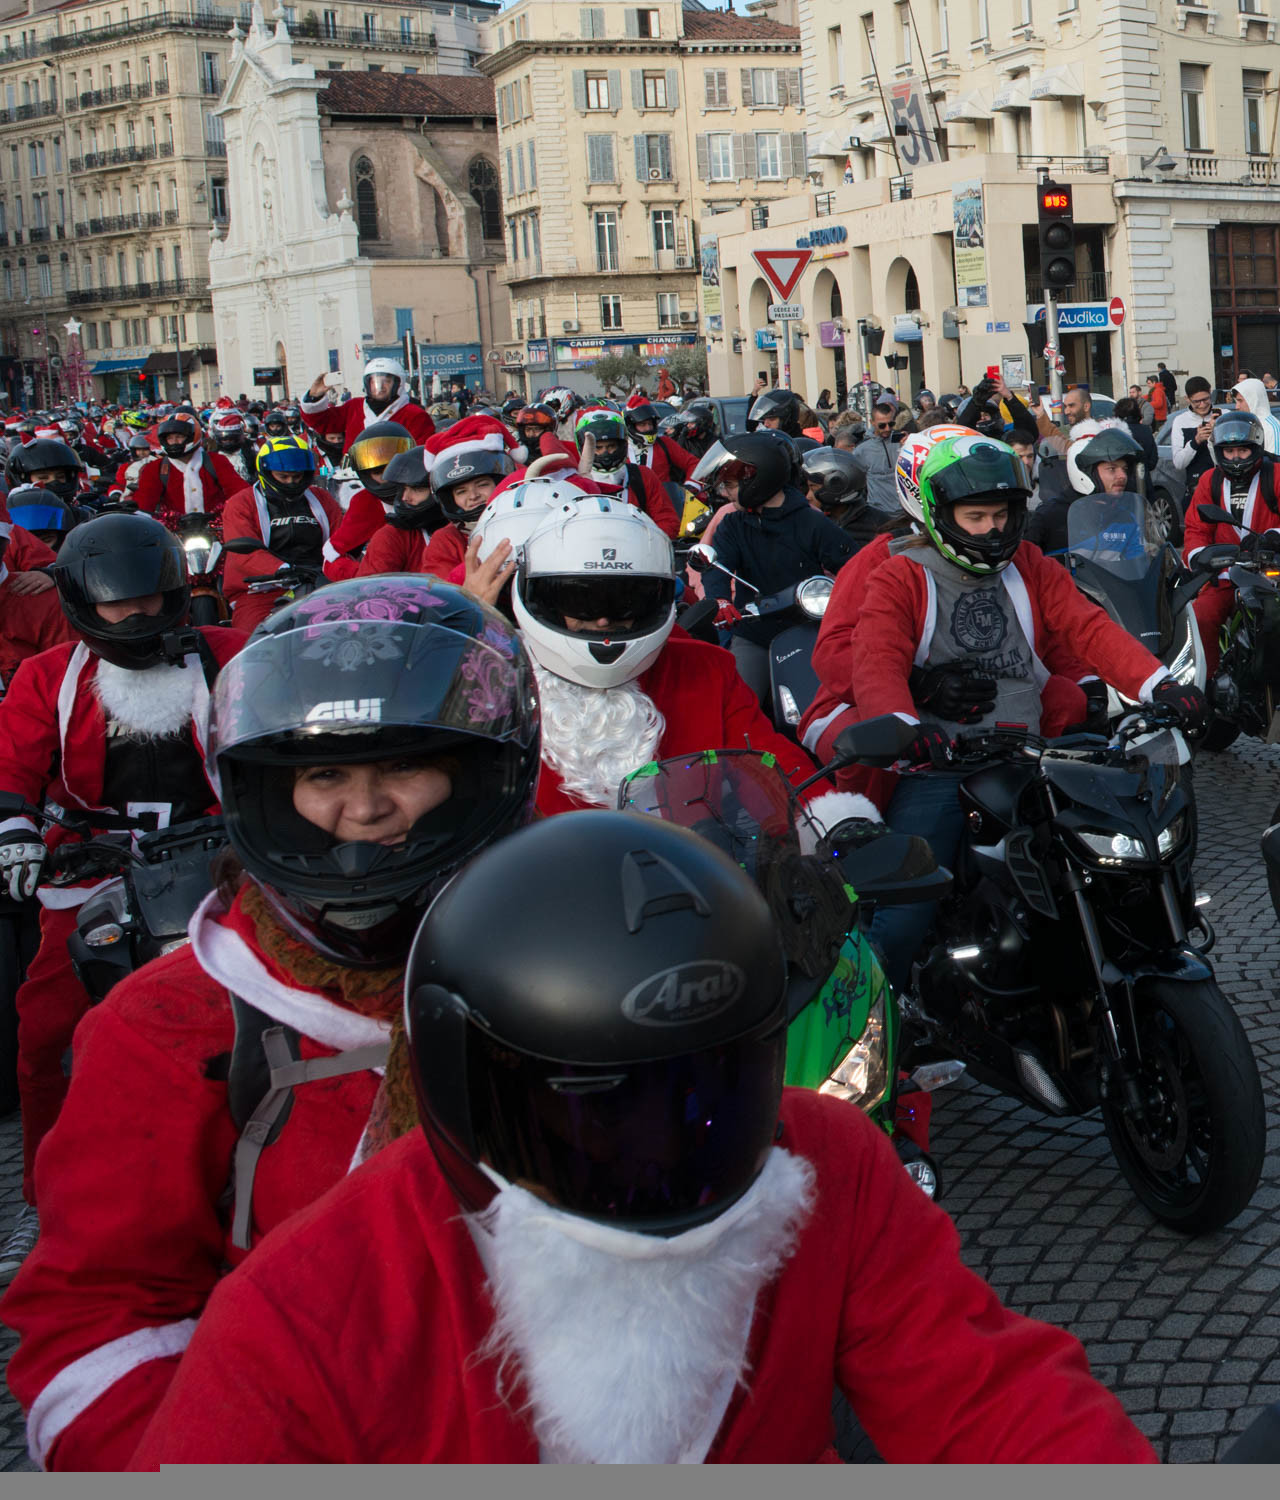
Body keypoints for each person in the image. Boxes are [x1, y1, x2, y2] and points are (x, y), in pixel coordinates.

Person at [125, 810, 1157, 1467]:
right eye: (594, 1106)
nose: (661, 1146)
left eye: (711, 1088)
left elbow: (987, 1395)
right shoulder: (305, 1310)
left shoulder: (829, 1160)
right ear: (461, 1082)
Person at [0, 578, 543, 1470]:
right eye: (323, 774)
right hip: (298, 1431)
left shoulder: (580, 950)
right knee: (42, 1016)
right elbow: (97, 1313)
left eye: (404, 766)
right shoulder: (178, 1014)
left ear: (488, 769)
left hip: (559, 1416)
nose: (363, 809)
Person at [845, 434, 1206, 990]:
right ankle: (877, 1013)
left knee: (1113, 857)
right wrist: (905, 727)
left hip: (1036, 752)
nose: (992, 529)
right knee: (908, 901)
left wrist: (1159, 685)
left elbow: (1087, 626)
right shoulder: (901, 574)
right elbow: (876, 660)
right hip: (941, 764)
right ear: (940, 514)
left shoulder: (1028, 564)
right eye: (975, 517)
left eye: (1001, 515)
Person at [0, 514, 245, 1264]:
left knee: (255, 1008)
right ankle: (42, 1200)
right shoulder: (49, 676)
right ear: (84, 603)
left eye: (150, 596)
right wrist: (14, 830)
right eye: (117, 602)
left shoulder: (231, 653)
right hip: (92, 868)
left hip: (220, 865)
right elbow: (11, 765)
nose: (137, 613)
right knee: (45, 1032)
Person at [511, 494, 817, 816]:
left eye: (624, 602)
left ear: (652, 600)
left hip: (690, 847)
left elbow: (772, 763)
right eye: (579, 601)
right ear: (544, 601)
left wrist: (828, 818)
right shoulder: (503, 684)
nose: (602, 620)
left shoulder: (705, 671)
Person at [1181, 410, 1279, 673]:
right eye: (1229, 451)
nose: (1235, 457)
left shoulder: (1276, 475)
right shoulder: (1209, 480)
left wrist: (1273, 537)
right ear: (1219, 451)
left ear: (1256, 448)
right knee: (1200, 616)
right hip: (1224, 575)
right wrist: (1200, 558)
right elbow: (1195, 528)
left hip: (1271, 574)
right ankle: (1209, 682)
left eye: (1243, 451)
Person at [221, 435, 342, 633]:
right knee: (253, 636)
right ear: (266, 472)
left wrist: (341, 567)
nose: (291, 482)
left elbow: (341, 540)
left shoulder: (322, 498)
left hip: (321, 582)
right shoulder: (241, 503)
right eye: (283, 477)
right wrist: (284, 569)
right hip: (262, 588)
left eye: (297, 477)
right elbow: (245, 553)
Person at [400, 417, 520, 581]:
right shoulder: (447, 540)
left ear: (500, 482)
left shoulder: (522, 517)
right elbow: (440, 589)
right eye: (461, 492)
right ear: (451, 499)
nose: (473, 495)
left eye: (482, 485)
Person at [321, 422, 416, 579]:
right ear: (366, 475)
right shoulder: (366, 502)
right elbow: (332, 556)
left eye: (395, 469)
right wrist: (366, 577)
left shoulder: (432, 493)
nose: (390, 477)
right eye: (379, 472)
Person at [572, 408, 679, 537]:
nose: (605, 453)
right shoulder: (574, 483)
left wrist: (644, 538)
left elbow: (668, 521)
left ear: (622, 444)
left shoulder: (643, 476)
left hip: (636, 545)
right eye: (598, 447)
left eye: (611, 446)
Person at [299, 358, 435, 455]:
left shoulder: (414, 414)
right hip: (353, 476)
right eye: (374, 381)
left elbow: (420, 452)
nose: (380, 387)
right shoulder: (354, 406)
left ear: (398, 384)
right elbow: (321, 423)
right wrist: (314, 396)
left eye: (386, 381)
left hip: (395, 477)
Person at [132, 413, 241, 529]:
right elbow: (144, 501)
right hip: (175, 531)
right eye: (169, 438)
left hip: (216, 528)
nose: (174, 441)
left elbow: (238, 491)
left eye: (179, 436)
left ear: (192, 436)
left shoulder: (216, 461)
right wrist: (135, 512)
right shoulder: (155, 468)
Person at [800, 447, 880, 549]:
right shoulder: (816, 523)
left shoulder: (875, 527)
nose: (807, 497)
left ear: (837, 487)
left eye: (813, 488)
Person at [624, 397, 698, 485]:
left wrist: (692, 484)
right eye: (642, 424)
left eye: (650, 424)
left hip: (664, 493)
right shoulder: (621, 447)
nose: (648, 428)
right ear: (631, 426)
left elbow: (693, 463)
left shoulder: (664, 443)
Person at [847, 402, 902, 513]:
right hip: (878, 511)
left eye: (891, 424)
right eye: (882, 425)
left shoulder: (901, 442)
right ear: (872, 422)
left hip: (904, 510)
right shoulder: (862, 450)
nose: (887, 428)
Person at [1167, 377, 1217, 490]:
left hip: (1224, 483)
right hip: (1197, 486)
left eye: (1206, 399)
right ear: (1187, 399)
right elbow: (1179, 463)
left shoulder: (1223, 415)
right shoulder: (1180, 421)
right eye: (1197, 402)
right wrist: (1196, 441)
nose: (1202, 405)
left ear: (1210, 393)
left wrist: (1217, 431)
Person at [1230, 376, 1280, 455]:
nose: (1237, 406)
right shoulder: (1243, 424)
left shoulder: (1272, 429)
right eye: (1236, 401)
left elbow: (1276, 461)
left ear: (1253, 400)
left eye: (1240, 401)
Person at [1112, 396, 1159, 475]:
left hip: (1122, 478)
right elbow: (1153, 461)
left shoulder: (1116, 432)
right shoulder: (1146, 430)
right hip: (1143, 477)